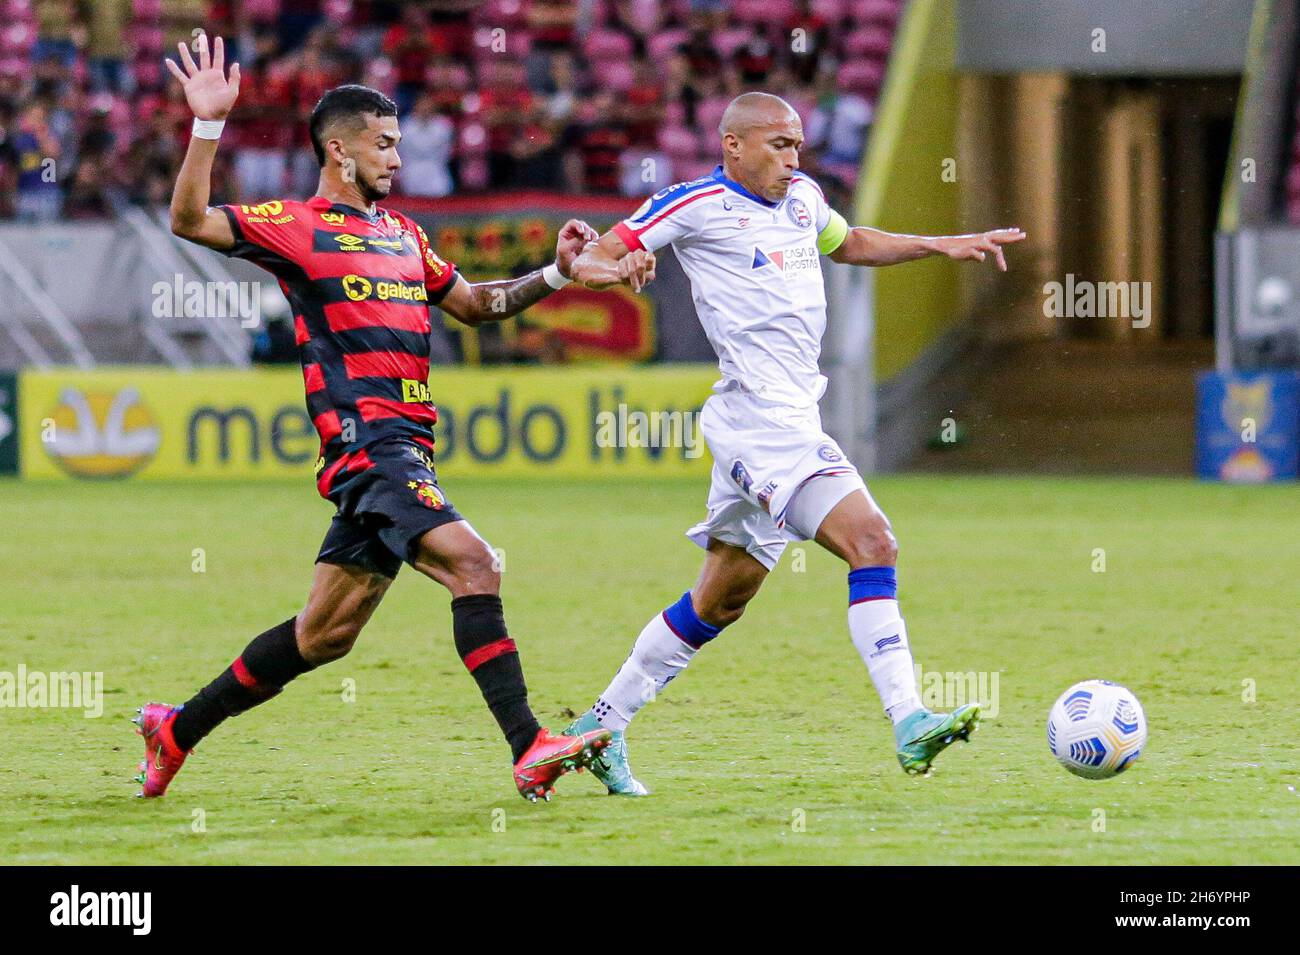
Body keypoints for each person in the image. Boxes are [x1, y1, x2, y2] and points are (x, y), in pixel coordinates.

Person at [134, 34, 656, 802]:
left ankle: (175, 729)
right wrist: (208, 126)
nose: (398, 159)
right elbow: (189, 220)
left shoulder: (404, 235)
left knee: (323, 635)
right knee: (474, 563)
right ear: (338, 151)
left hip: (408, 447)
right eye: (385, 145)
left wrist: (557, 272)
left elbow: (478, 305)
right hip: (368, 447)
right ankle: (530, 744)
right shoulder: (296, 224)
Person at [566, 92, 1025, 794]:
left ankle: (598, 728)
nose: (793, 158)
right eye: (779, 144)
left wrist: (939, 244)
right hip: (759, 421)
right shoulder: (689, 204)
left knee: (721, 599)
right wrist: (618, 266)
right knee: (873, 542)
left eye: (798, 145)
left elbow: (852, 242)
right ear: (733, 146)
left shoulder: (805, 199)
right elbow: (593, 260)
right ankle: (909, 720)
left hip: (789, 422)